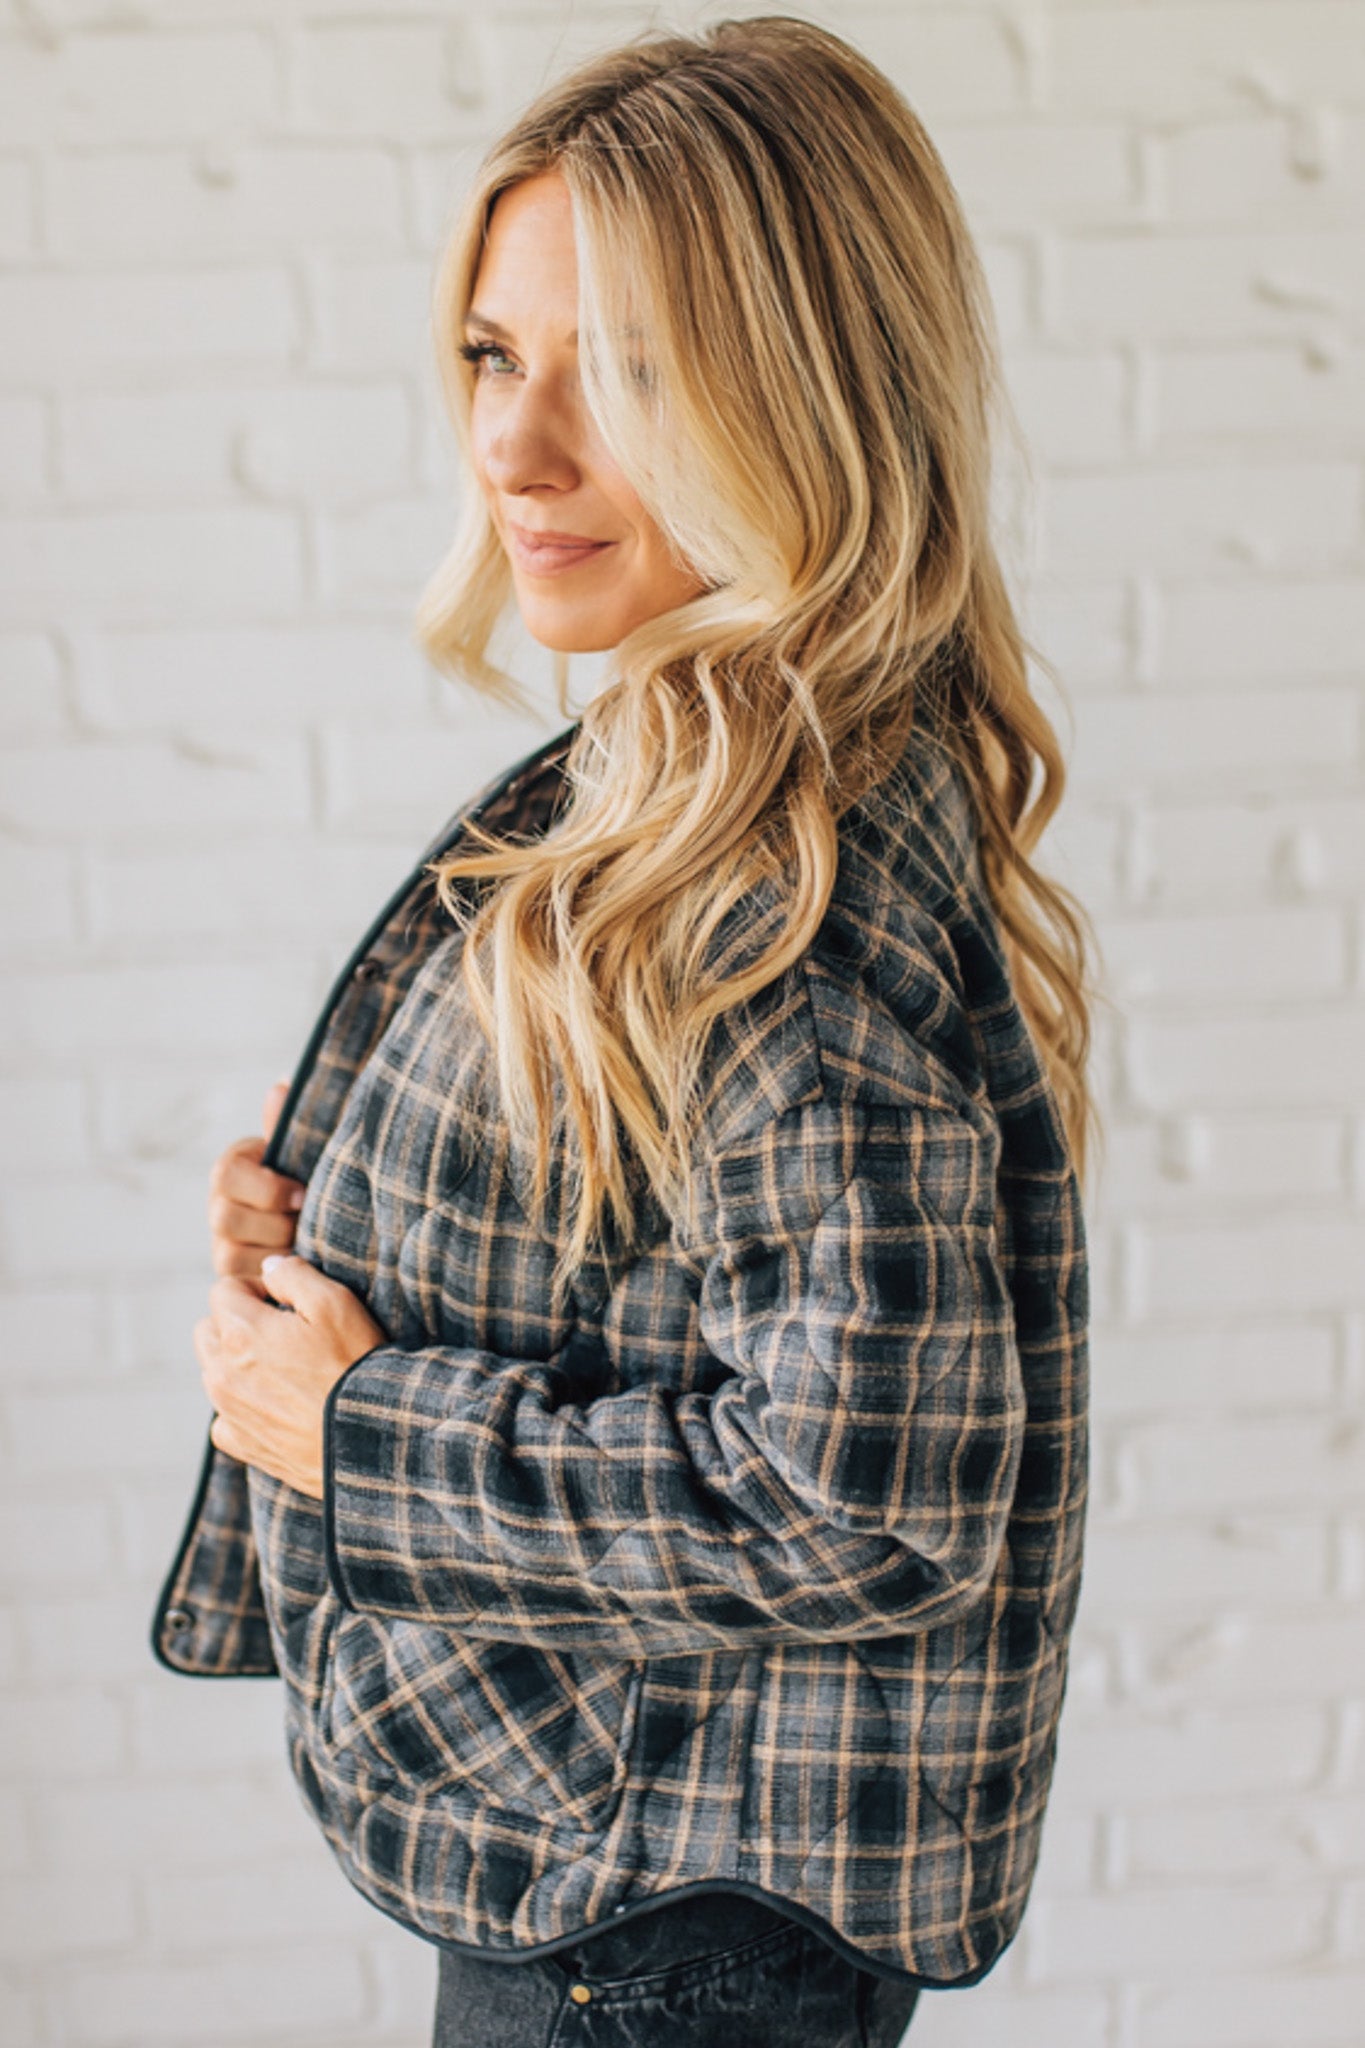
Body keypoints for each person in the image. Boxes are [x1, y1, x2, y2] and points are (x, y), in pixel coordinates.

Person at [152, 16, 1099, 2047]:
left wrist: (358, 1428)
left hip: (651, 1938)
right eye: (494, 353)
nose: (513, 446)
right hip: (633, 1874)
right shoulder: (681, 780)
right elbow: (664, 1271)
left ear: (812, 404)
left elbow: (865, 1503)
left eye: (633, 372)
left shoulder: (778, 904)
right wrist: (341, 1223)